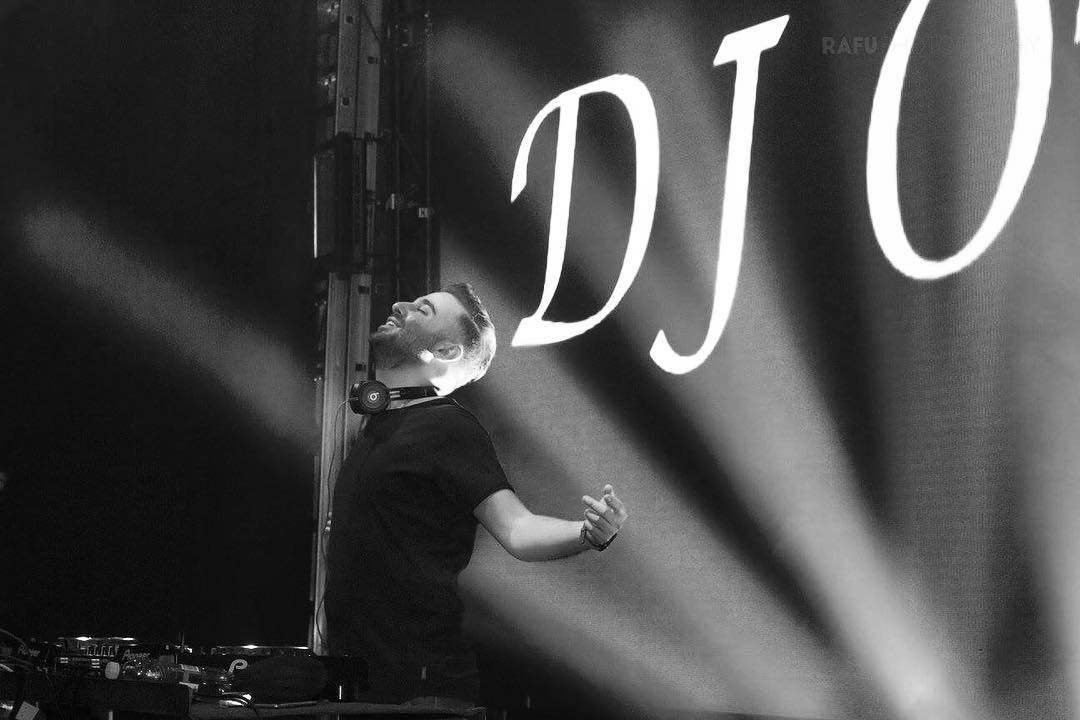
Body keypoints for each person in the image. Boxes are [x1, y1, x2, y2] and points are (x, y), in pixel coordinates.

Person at [324, 282, 628, 705]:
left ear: (447, 351)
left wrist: (587, 534)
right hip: (366, 685)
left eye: (423, 309)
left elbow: (517, 528)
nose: (400, 304)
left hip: (419, 693)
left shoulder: (448, 427)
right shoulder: (375, 426)